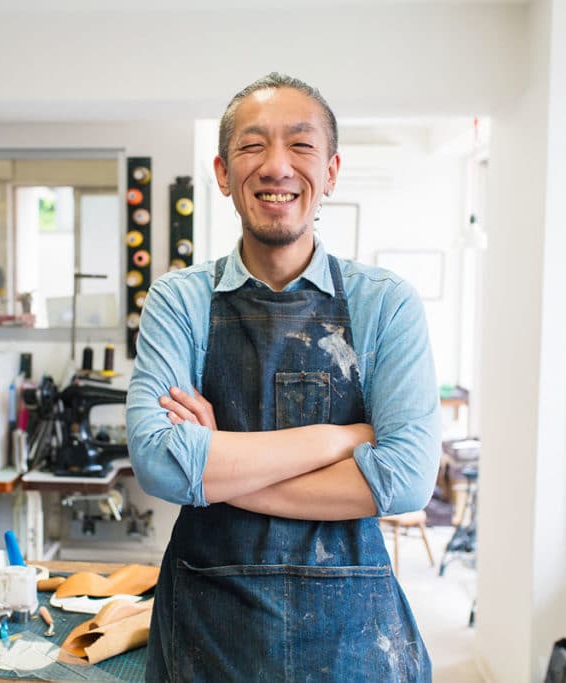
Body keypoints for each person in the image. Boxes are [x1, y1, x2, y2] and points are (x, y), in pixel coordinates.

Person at [126, 72, 440, 682]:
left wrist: (216, 471)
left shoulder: (386, 304)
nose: (276, 166)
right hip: (206, 632)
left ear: (330, 171)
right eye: (252, 146)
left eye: (300, 145)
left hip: (352, 639)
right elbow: (162, 464)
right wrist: (341, 439)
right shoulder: (179, 301)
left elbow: (404, 480)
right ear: (222, 173)